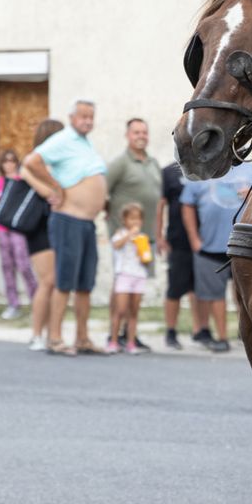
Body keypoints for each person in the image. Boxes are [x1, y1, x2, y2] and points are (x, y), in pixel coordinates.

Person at [21, 100, 107, 356]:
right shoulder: (63, 139)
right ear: (72, 117)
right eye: (83, 116)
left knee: (85, 284)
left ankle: (82, 337)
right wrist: (56, 186)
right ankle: (55, 337)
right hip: (68, 219)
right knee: (64, 281)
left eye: (91, 117)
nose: (87, 121)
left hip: (87, 222)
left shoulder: (85, 144)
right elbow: (32, 161)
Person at [180, 161, 252, 353]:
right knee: (214, 295)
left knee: (247, 295)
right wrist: (194, 239)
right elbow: (187, 204)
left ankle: (250, 335)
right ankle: (222, 338)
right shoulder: (200, 168)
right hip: (210, 245)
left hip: (244, 245)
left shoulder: (251, 169)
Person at [104, 118, 161, 351]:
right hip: (124, 240)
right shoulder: (120, 163)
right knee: (121, 287)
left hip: (146, 238)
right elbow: (102, 192)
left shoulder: (153, 163)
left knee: (137, 287)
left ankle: (130, 335)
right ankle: (113, 334)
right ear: (128, 135)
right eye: (136, 132)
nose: (141, 135)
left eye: (144, 132)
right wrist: (114, 225)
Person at [21, 119, 63, 352]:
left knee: (54, 281)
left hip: (54, 224)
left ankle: (49, 332)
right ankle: (36, 334)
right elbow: (50, 194)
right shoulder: (31, 165)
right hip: (38, 226)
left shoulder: (53, 164)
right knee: (46, 282)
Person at [158, 160, 204, 350]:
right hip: (177, 240)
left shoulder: (206, 169)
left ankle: (200, 330)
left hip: (205, 240)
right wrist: (158, 235)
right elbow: (160, 204)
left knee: (200, 289)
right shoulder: (168, 172)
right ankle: (170, 331)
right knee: (175, 289)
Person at [0, 149, 38, 320]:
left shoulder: (23, 181)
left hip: (18, 229)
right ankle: (13, 303)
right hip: (2, 230)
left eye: (12, 161)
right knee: (7, 266)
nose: (9, 164)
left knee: (24, 265)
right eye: (5, 161)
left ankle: (36, 300)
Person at [108, 203, 152, 355]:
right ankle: (113, 341)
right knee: (119, 310)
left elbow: (146, 258)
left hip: (138, 276)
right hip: (124, 275)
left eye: (138, 219)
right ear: (124, 220)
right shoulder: (120, 234)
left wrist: (144, 254)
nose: (135, 222)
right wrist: (129, 236)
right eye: (132, 218)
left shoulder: (142, 237)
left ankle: (131, 342)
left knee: (133, 312)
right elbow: (116, 245)